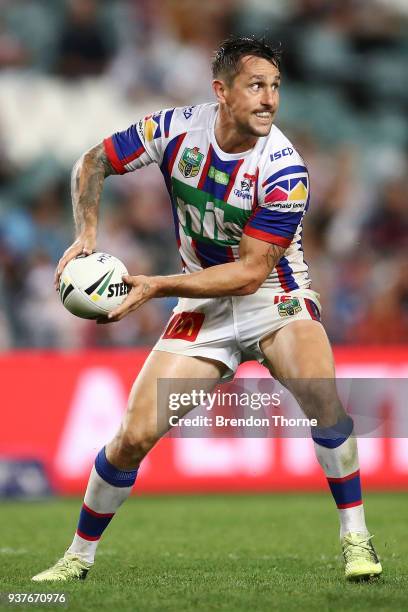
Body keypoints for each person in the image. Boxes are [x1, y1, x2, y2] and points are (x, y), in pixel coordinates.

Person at [32, 36, 381, 583]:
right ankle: (76, 558)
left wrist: (153, 286)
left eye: (276, 87)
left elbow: (249, 274)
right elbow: (94, 161)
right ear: (221, 91)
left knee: (322, 396)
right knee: (131, 437)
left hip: (275, 297)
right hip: (205, 305)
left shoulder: (285, 170)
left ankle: (357, 538)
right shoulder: (173, 131)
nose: (269, 99)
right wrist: (87, 235)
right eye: (256, 86)